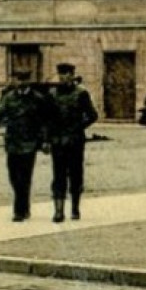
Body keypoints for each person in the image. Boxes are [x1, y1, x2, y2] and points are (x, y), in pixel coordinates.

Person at [0, 70, 52, 222]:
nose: (21, 83)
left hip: (29, 142)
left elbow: (44, 122)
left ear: (29, 80)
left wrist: (45, 140)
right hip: (13, 142)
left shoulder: (37, 99)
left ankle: (20, 211)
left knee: (24, 177)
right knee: (13, 177)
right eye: (18, 79)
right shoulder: (10, 97)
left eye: (24, 79)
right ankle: (24, 206)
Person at [46, 63, 98, 223]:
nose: (63, 77)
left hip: (75, 141)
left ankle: (75, 208)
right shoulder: (53, 94)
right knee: (58, 175)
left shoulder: (81, 94)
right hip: (58, 141)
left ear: (72, 75)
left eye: (66, 74)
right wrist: (47, 138)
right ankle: (58, 211)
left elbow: (92, 115)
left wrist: (78, 126)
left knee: (76, 174)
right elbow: (46, 118)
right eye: (61, 74)